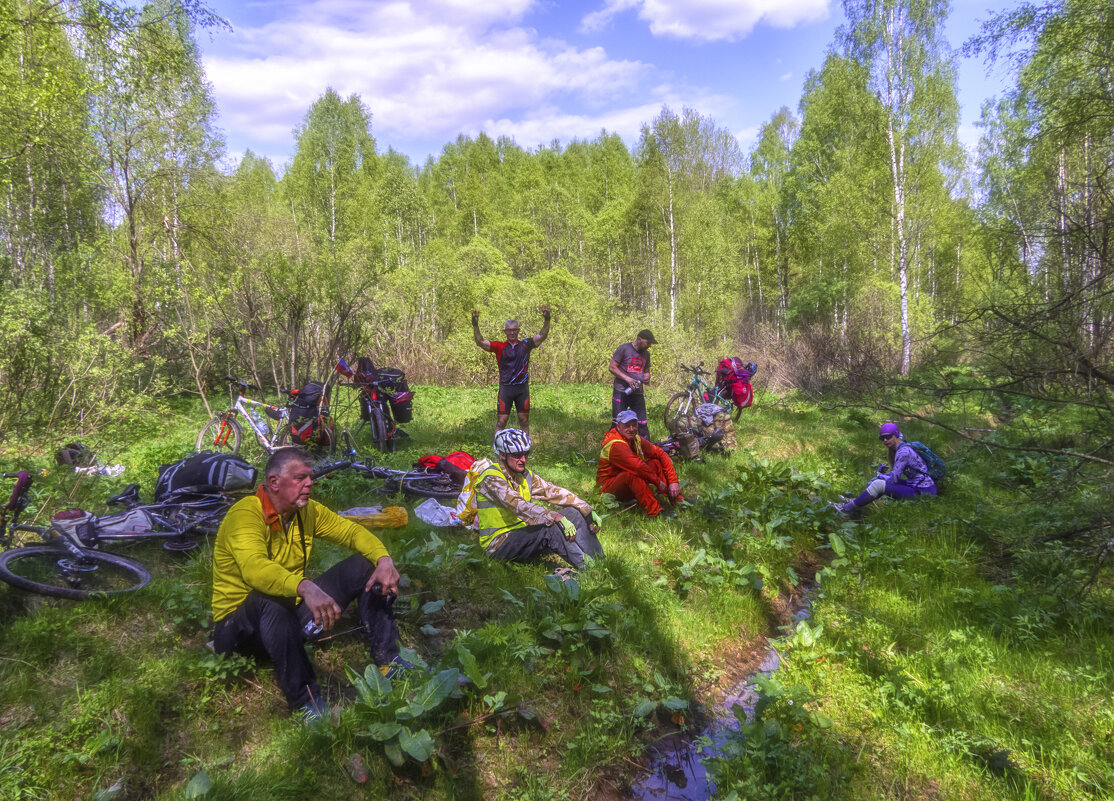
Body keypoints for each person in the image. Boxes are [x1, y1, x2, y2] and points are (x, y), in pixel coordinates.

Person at [211, 449, 403, 718]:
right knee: (268, 597)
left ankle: (390, 662)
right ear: (274, 482)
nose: (310, 483)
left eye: (310, 477)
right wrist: (306, 587)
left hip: (286, 618)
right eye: (300, 477)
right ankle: (307, 704)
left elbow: (350, 531)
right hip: (239, 630)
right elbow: (255, 569)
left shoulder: (306, 512)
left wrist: (383, 559)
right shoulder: (244, 515)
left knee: (365, 566)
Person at [476, 428, 603, 570]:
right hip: (499, 543)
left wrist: (586, 508)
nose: (523, 459)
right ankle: (589, 569)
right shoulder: (491, 478)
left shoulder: (525, 475)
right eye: (517, 455)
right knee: (550, 528)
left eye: (526, 454)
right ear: (502, 455)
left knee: (574, 513)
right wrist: (555, 516)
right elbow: (517, 505)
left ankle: (601, 561)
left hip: (523, 535)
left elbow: (552, 491)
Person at [472, 306, 551, 433]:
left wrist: (547, 319)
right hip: (506, 389)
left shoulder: (525, 344)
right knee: (501, 422)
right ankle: (497, 450)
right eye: (509, 330)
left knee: (524, 422)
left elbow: (542, 335)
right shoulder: (499, 347)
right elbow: (480, 342)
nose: (512, 333)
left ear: (518, 330)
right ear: (505, 332)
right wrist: (475, 325)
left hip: (522, 389)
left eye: (514, 330)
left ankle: (525, 450)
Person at [835, 422, 937, 514]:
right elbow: (895, 474)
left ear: (896, 435)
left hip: (923, 492)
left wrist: (880, 476)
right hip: (916, 486)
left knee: (878, 484)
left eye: (888, 436)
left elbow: (894, 479)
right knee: (876, 482)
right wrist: (881, 475)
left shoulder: (903, 452)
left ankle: (846, 510)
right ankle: (856, 502)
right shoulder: (901, 448)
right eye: (882, 438)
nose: (885, 440)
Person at [597, 410, 682, 518]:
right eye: (627, 426)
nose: (631, 429)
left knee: (655, 462)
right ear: (618, 427)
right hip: (609, 490)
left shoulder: (635, 439)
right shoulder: (616, 445)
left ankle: (677, 499)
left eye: (634, 425)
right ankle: (656, 512)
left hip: (627, 484)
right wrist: (658, 482)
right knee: (631, 475)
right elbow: (638, 467)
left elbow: (660, 453)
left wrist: (673, 482)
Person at [610, 328, 656, 438]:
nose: (649, 345)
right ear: (639, 339)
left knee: (642, 423)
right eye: (648, 342)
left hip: (637, 393)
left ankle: (647, 452)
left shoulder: (646, 354)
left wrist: (647, 377)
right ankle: (611, 448)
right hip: (621, 391)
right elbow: (612, 367)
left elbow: (646, 371)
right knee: (618, 423)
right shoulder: (624, 349)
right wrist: (628, 379)